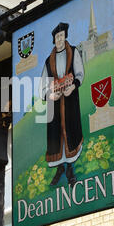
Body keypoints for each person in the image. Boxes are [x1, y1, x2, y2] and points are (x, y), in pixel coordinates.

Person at [39, 22, 84, 187]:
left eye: (62, 36)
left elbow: (79, 73)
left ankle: (70, 168)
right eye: (57, 37)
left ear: (65, 36)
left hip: (70, 100)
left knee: (70, 133)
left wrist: (72, 87)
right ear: (54, 39)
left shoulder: (73, 52)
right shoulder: (47, 61)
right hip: (55, 106)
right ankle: (59, 169)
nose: (59, 39)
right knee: (55, 137)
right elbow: (42, 85)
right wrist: (51, 94)